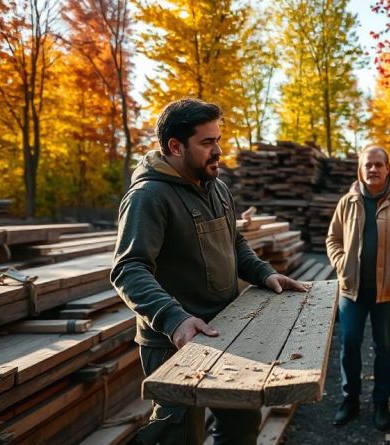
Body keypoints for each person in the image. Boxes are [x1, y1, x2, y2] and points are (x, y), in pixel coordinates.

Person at [110, 98, 306, 445]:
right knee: (180, 435)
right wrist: (174, 319)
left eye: (218, 140)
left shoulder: (216, 187)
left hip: (228, 331)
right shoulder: (149, 196)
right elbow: (128, 269)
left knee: (242, 425)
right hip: (174, 343)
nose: (218, 151)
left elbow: (234, 241)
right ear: (175, 146)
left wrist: (264, 273)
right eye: (207, 142)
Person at [326, 146, 390, 431]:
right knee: (350, 344)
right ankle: (350, 399)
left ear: (387, 168)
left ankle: (381, 402)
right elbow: (333, 238)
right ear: (360, 169)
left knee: (383, 348)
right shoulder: (347, 202)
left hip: (389, 291)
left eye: (379, 165)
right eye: (368, 165)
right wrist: (342, 263)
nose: (373, 170)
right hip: (352, 290)